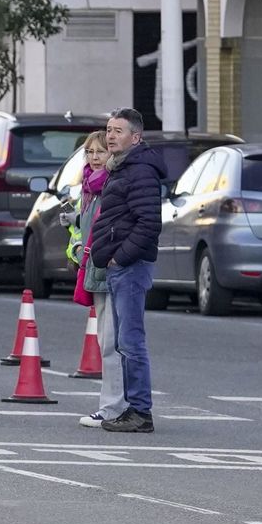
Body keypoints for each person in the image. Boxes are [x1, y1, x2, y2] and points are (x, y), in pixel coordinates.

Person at [87, 108, 164, 434]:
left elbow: (149, 222)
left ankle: (140, 412)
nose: (110, 136)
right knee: (122, 341)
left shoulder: (140, 171)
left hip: (130, 268)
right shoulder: (121, 168)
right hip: (120, 268)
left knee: (131, 342)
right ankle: (131, 409)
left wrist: (120, 257)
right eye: (109, 130)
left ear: (136, 137)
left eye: (118, 131)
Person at [69, 131, 126, 429]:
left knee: (111, 342)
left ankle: (113, 407)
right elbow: (85, 229)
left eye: (100, 152)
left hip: (109, 269)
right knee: (107, 339)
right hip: (95, 268)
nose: (94, 157)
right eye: (89, 152)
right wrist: (78, 246)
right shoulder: (88, 188)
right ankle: (115, 404)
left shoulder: (109, 186)